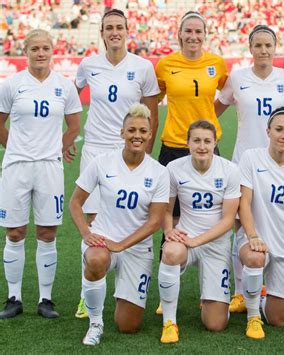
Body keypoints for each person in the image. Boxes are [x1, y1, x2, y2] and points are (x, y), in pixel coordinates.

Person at [74, 8, 159, 318]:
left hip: (129, 150)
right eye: (108, 27)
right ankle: (90, 290)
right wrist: (70, 135)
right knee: (97, 226)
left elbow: (152, 111)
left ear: (127, 30)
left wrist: (145, 149)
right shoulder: (87, 65)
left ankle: (128, 280)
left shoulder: (142, 67)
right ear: (101, 32)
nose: (114, 32)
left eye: (119, 27)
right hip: (95, 151)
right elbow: (71, 99)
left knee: (131, 215)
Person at [215, 24, 284, 314]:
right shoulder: (238, 77)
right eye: (258, 45)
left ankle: (280, 289)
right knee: (240, 222)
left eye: (269, 45)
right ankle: (240, 291)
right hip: (243, 161)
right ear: (250, 48)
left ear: (275, 48)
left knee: (276, 218)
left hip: (277, 162)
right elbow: (215, 108)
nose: (264, 50)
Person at [69, 104, 169, 346]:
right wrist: (86, 233)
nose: (137, 135)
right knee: (96, 259)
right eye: (132, 130)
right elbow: (75, 202)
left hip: (135, 248)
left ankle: (118, 293)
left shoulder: (159, 172)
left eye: (143, 131)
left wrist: (121, 245)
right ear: (122, 132)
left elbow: (155, 221)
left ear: (149, 134)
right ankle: (95, 322)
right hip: (103, 238)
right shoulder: (103, 162)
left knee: (128, 326)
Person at [0, 29, 82, 319]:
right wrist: (17, 149)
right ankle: (14, 297)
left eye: (45, 47)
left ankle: (46, 299)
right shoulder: (12, 85)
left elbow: (74, 125)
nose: (40, 53)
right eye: (34, 48)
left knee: (47, 232)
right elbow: (0, 122)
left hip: (49, 168)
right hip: (16, 168)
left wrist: (57, 148)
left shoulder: (64, 86)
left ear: (52, 50)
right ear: (26, 52)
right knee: (15, 232)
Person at [154, 10, 228, 315]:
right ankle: (165, 291)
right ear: (180, 34)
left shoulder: (217, 64)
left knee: (213, 215)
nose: (194, 36)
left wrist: (207, 126)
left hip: (207, 148)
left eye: (199, 31)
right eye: (189, 31)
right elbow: (154, 97)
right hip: (173, 147)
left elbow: (222, 97)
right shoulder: (165, 65)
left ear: (205, 34)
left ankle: (211, 286)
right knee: (168, 218)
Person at [158, 120, 240, 343]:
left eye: (207, 141)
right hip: (185, 238)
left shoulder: (230, 170)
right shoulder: (174, 168)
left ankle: (210, 298)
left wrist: (197, 241)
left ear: (215, 143)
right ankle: (169, 322)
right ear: (188, 143)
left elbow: (228, 220)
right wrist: (169, 231)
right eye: (196, 141)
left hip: (216, 244)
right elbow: (166, 210)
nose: (202, 146)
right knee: (171, 253)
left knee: (216, 325)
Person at [237, 107, 284, 339]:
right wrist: (252, 235)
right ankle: (252, 316)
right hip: (254, 237)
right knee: (254, 257)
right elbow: (245, 202)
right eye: (279, 129)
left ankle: (259, 298)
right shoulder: (251, 158)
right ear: (268, 131)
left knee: (278, 319)